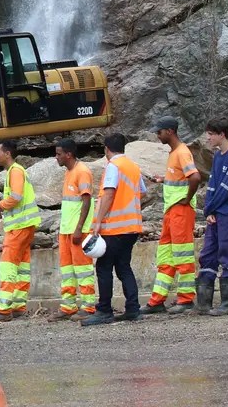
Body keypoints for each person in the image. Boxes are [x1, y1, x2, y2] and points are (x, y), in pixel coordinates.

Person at [83, 133, 147, 327]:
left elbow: (109, 194)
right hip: (132, 227)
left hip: (114, 228)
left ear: (106, 149)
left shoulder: (113, 166)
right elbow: (142, 192)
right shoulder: (133, 166)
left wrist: (98, 222)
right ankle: (133, 309)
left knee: (104, 268)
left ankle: (104, 310)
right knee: (123, 267)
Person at [142, 118, 200, 314]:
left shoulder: (182, 152)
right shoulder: (176, 153)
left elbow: (195, 177)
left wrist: (187, 199)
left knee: (182, 255)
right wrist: (164, 179)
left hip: (180, 211)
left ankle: (186, 299)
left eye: (159, 132)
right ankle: (157, 301)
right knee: (166, 256)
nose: (157, 136)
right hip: (172, 211)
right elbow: (181, 178)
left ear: (170, 131)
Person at [0, 140, 40, 322]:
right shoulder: (16, 170)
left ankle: (4, 310)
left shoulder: (15, 171)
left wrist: (1, 204)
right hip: (25, 225)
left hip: (19, 227)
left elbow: (16, 196)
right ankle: (18, 305)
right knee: (22, 266)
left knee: (8, 266)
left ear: (7, 154)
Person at [198, 117, 228, 316]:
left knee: (227, 252)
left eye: (211, 134)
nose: (208, 138)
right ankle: (204, 302)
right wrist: (209, 211)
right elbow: (213, 185)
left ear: (222, 134)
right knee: (208, 253)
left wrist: (210, 209)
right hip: (216, 212)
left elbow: (227, 188)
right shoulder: (217, 156)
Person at [55, 138, 97, 318]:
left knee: (83, 269)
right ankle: (68, 306)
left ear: (68, 154)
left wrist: (79, 228)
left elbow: (86, 201)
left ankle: (88, 307)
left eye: (58, 154)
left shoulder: (82, 172)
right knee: (67, 271)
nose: (56, 157)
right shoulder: (69, 172)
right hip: (67, 230)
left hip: (78, 231)